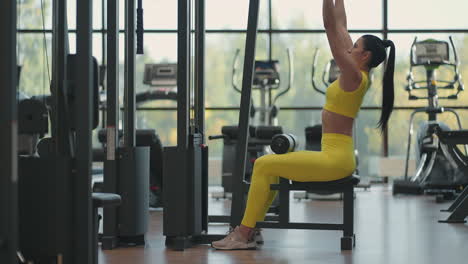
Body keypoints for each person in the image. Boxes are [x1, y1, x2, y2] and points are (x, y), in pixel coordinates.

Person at [212, 0, 396, 250]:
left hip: (336, 160)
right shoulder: (357, 73)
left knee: (264, 164)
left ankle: (243, 234)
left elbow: (331, 28)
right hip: (335, 156)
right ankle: (251, 228)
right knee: (271, 168)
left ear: (364, 56)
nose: (350, 48)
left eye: (355, 46)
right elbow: (340, 24)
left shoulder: (354, 76)